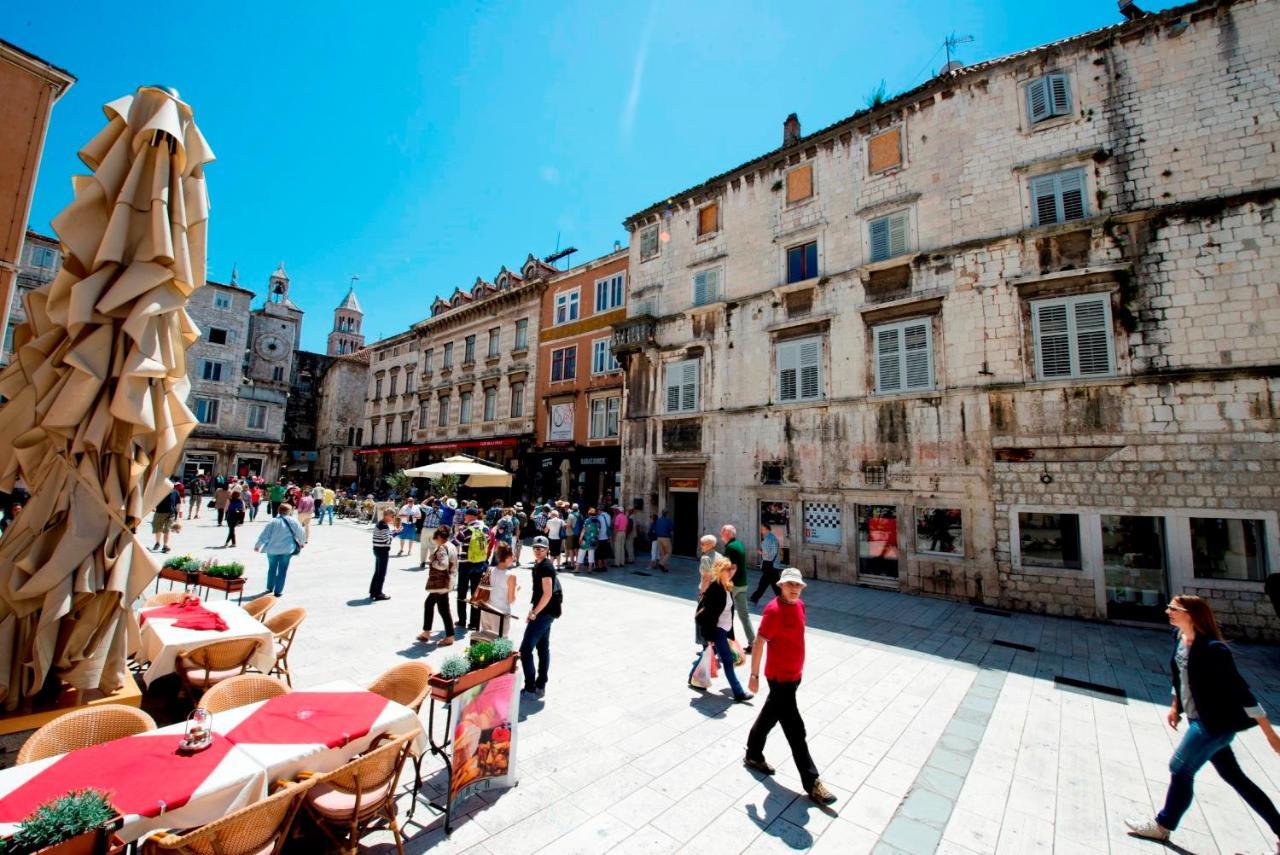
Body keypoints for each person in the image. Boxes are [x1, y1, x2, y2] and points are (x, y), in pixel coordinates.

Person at [1125, 595, 1280, 846]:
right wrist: (1175, 706)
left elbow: (1242, 692)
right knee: (1235, 777)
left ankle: (1163, 825)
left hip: (1213, 725)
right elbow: (1180, 676)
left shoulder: (1213, 650)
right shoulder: (1179, 639)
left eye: (1174, 608)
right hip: (1199, 719)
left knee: (1180, 767)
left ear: (1191, 614)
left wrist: (1270, 735)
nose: (1168, 612)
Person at [744, 568, 837, 806]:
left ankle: (753, 753)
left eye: (798, 586)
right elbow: (759, 643)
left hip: (794, 676)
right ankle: (812, 781)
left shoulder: (800, 606)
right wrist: (753, 675)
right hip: (779, 679)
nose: (794, 589)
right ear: (780, 585)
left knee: (769, 715)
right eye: (790, 585)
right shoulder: (773, 611)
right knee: (796, 730)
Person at [690, 556, 752, 703]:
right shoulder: (715, 588)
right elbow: (709, 615)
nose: (730, 572)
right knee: (728, 660)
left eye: (731, 569)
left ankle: (692, 677)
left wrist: (730, 634)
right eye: (727, 569)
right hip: (716, 630)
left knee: (708, 654)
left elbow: (728, 612)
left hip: (725, 629)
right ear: (719, 570)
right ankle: (738, 692)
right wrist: (709, 636)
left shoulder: (728, 585)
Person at [520, 536, 559, 701]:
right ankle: (541, 685)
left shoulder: (546, 567)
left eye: (541, 548)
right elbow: (538, 592)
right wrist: (532, 609)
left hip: (544, 613)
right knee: (542, 648)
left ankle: (530, 687)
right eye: (535, 547)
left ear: (547, 549)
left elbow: (548, 593)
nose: (538, 550)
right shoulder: (538, 565)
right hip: (543, 611)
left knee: (525, 650)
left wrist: (535, 612)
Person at [255, 503, 305, 597]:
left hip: (272, 549)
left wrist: (258, 545)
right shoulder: (293, 521)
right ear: (288, 511)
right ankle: (278, 591)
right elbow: (301, 533)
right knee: (282, 570)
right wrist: (302, 543)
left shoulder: (273, 521)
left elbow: (265, 535)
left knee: (272, 568)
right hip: (287, 549)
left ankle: (270, 587)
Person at [418, 525, 457, 645]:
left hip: (441, 582)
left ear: (440, 537)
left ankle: (449, 636)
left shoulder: (442, 548)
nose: (435, 540)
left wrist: (432, 561)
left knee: (443, 609)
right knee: (429, 604)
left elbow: (443, 564)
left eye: (436, 538)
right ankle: (426, 632)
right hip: (449, 579)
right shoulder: (452, 546)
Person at [454, 508, 490, 633]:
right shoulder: (485, 528)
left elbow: (455, 542)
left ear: (470, 516)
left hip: (465, 564)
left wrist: (456, 532)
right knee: (475, 594)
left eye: (465, 515)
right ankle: (474, 623)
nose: (464, 517)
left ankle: (462, 620)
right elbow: (488, 543)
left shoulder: (466, 529)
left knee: (462, 592)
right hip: (479, 564)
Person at [720, 525, 755, 651]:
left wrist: (725, 581)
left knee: (723, 614)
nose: (720, 535)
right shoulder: (739, 544)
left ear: (728, 534)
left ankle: (724, 645)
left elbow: (733, 567)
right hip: (743, 584)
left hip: (733, 585)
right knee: (744, 615)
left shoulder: (730, 547)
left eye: (722, 532)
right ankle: (753, 643)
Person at [481, 542, 519, 639]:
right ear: (508, 557)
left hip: (486, 610)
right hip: (501, 613)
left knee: (485, 642)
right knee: (499, 647)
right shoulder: (511, 576)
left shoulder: (489, 570)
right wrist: (516, 589)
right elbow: (511, 600)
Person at [367, 508, 397, 601]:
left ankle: (373, 591)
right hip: (382, 551)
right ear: (387, 515)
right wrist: (395, 534)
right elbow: (387, 540)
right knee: (381, 573)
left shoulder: (380, 523)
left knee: (377, 572)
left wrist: (392, 533)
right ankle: (378, 593)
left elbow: (385, 536)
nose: (393, 518)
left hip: (377, 549)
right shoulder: (384, 526)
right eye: (392, 516)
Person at [752, 523, 782, 605]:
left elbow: (772, 553)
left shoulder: (771, 539)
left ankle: (755, 597)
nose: (761, 531)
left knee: (768, 583)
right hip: (770, 565)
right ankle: (755, 597)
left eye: (763, 529)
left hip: (770, 565)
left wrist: (761, 553)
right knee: (770, 583)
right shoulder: (769, 538)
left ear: (767, 529)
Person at [151, 483, 181, 553]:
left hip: (171, 513)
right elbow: (152, 500)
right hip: (159, 512)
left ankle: (165, 546)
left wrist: (178, 514)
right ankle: (157, 543)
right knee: (158, 528)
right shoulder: (159, 491)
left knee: (167, 529)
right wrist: (152, 507)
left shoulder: (175, 492)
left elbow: (178, 503)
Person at [578, 509, 600, 573]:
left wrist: (580, 538)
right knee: (591, 554)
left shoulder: (587, 520)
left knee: (581, 553)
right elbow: (598, 531)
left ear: (589, 514)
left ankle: (577, 568)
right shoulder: (597, 521)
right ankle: (590, 569)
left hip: (586, 539)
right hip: (594, 539)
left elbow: (583, 530)